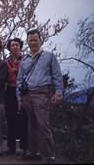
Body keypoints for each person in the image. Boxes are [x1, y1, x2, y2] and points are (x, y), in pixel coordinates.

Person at [16, 29, 63, 163]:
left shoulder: (49, 56)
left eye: (35, 39)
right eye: (30, 40)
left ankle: (49, 155)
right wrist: (19, 98)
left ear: (40, 40)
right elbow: (19, 80)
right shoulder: (24, 60)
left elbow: (57, 75)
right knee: (32, 124)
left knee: (43, 124)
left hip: (42, 93)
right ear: (27, 42)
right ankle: (34, 151)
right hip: (27, 95)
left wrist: (59, 92)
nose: (33, 42)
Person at [4, 38, 28, 155]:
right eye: (12, 45)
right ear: (9, 47)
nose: (15, 47)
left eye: (17, 45)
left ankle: (25, 146)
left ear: (20, 47)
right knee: (10, 118)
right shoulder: (5, 61)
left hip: (23, 90)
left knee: (24, 118)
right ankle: (11, 146)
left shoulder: (25, 60)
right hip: (9, 90)